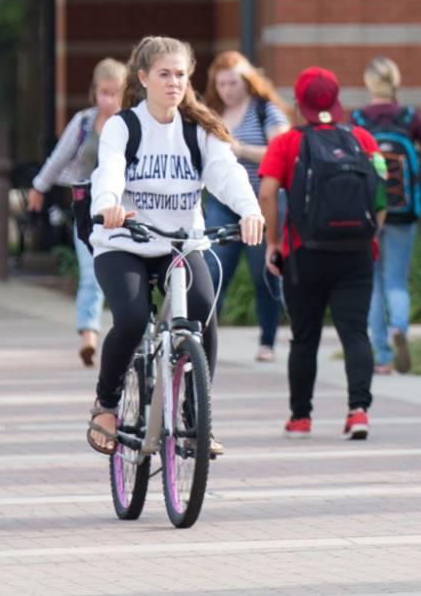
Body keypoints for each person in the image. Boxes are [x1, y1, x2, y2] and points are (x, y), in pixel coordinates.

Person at [85, 36, 263, 457]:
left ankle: (194, 418)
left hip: (180, 244)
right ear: (143, 78)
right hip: (124, 241)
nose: (173, 83)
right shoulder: (123, 126)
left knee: (202, 311)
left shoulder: (199, 130)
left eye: (180, 74)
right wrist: (108, 204)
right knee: (129, 319)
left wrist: (250, 211)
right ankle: (107, 403)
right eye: (164, 74)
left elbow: (228, 174)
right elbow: (108, 171)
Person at [260, 66, 387, 440]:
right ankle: (358, 412)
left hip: (304, 253)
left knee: (305, 337)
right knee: (355, 333)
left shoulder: (287, 143)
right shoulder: (362, 139)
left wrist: (274, 242)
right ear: (337, 100)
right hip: (357, 254)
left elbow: (267, 193)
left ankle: (301, 418)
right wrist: (371, 232)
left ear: (299, 105)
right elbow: (382, 193)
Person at [349, 55, 421, 376]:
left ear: (368, 84)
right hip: (404, 212)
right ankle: (399, 327)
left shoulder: (359, 120)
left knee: (373, 283)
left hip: (368, 212)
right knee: (396, 281)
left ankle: (382, 356)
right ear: (396, 82)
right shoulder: (408, 116)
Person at [27, 56, 127, 367]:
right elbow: (59, 158)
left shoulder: (133, 123)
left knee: (125, 279)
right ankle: (89, 336)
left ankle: (130, 335)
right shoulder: (84, 122)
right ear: (94, 91)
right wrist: (39, 187)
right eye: (102, 92)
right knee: (90, 274)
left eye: (114, 93)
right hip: (89, 211)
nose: (108, 99)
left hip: (125, 211)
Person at [202, 50, 293, 365]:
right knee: (212, 269)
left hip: (261, 203)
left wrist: (239, 150)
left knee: (263, 272)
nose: (228, 89)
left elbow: (281, 153)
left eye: (233, 82)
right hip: (222, 204)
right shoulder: (212, 114)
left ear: (247, 81)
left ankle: (267, 340)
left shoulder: (266, 110)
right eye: (222, 83)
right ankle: (200, 337)